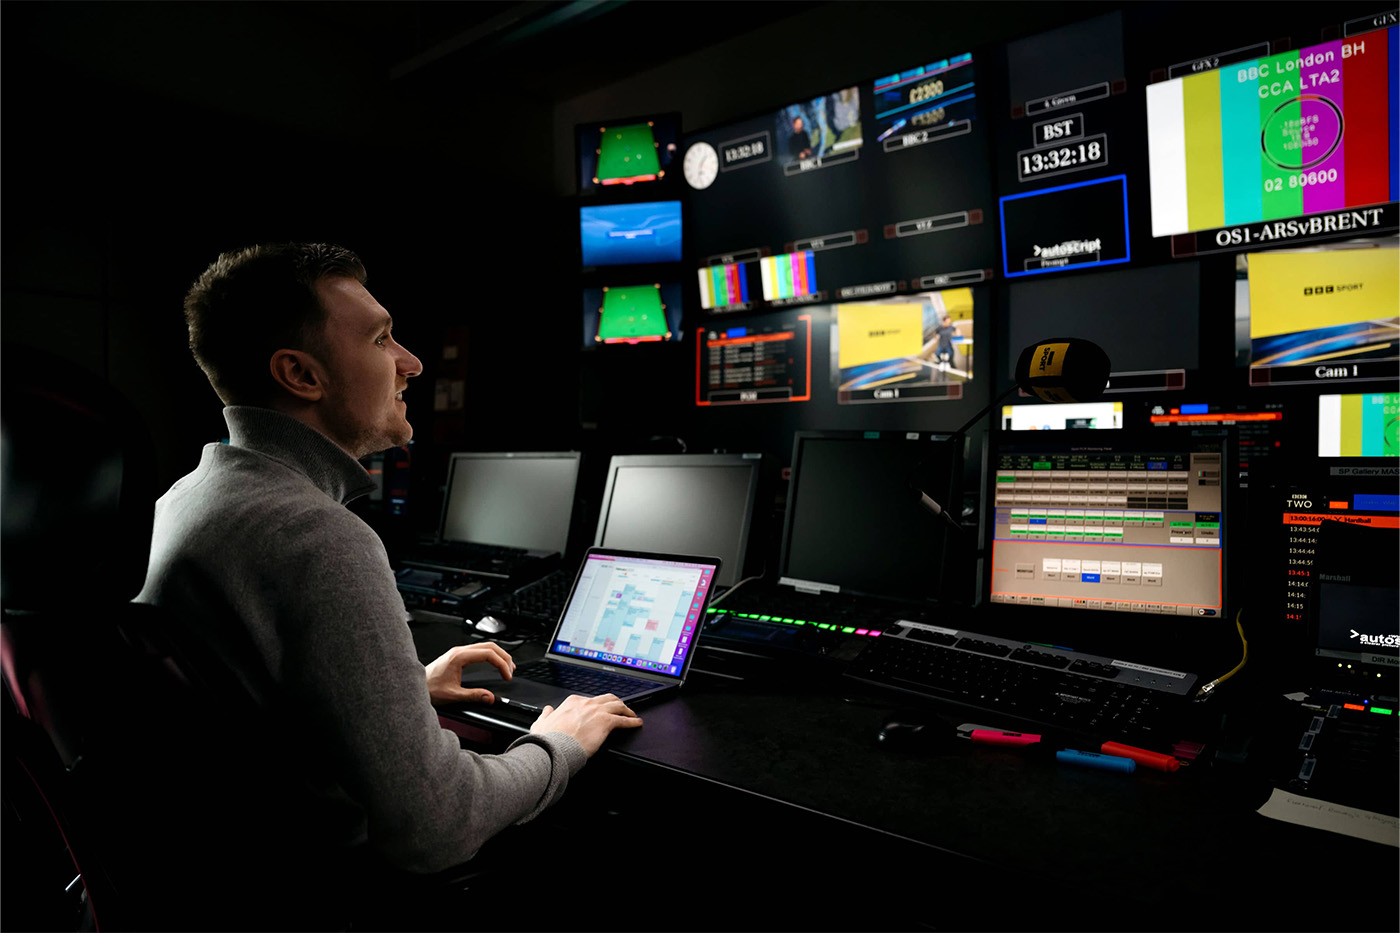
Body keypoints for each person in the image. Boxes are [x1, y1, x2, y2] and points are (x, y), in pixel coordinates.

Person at [136, 243, 642, 918]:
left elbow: (245, 709)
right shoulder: (320, 538)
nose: (412, 361)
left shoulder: (184, 500)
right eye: (380, 339)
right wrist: (559, 745)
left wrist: (399, 687)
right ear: (300, 374)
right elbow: (437, 827)